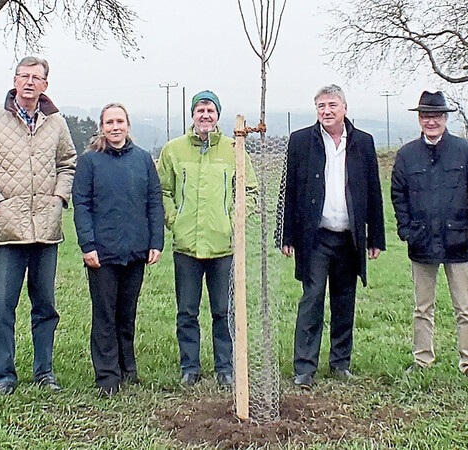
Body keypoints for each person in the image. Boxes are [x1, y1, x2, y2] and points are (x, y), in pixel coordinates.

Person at [0, 56, 76, 395]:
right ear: (14, 80)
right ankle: (4, 375)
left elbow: (68, 163)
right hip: (5, 230)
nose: (30, 82)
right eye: (24, 76)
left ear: (46, 84)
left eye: (37, 77)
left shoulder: (56, 123)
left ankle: (44, 372)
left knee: (45, 306)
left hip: (45, 230)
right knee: (4, 307)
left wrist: (59, 199)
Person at [280, 84, 385, 389]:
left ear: (345, 109)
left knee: (344, 301)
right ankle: (304, 368)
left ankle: (340, 363)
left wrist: (375, 236)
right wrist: (286, 233)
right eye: (321, 106)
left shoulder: (363, 143)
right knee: (311, 299)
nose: (326, 111)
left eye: (332, 106)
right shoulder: (300, 141)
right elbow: (289, 191)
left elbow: (373, 192)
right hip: (315, 237)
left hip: (349, 238)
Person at [157, 90, 258, 387]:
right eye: (200, 110)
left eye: (210, 111)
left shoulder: (233, 149)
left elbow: (249, 191)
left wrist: (234, 221)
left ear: (218, 116)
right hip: (187, 246)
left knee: (223, 311)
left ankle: (225, 367)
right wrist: (175, 221)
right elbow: (162, 191)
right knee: (187, 311)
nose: (205, 115)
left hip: (222, 246)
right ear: (192, 115)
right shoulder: (173, 150)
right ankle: (190, 367)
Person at [391, 90, 468, 379]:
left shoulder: (465, 152)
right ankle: (422, 359)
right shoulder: (406, 155)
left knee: (465, 308)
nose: (431, 122)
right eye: (426, 116)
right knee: (422, 307)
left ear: (445, 118)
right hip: (421, 242)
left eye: (436, 116)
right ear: (419, 120)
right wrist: (407, 230)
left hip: (458, 242)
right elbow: (398, 195)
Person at [72, 103, 164, 397]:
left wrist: (156, 242)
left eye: (120, 121)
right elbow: (82, 205)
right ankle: (107, 376)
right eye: (109, 122)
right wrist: (88, 244)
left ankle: (128, 369)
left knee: (127, 313)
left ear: (128, 125)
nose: (115, 127)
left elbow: (154, 202)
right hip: (102, 252)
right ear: (102, 127)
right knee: (105, 315)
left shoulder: (142, 160)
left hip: (136, 249)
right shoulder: (89, 162)